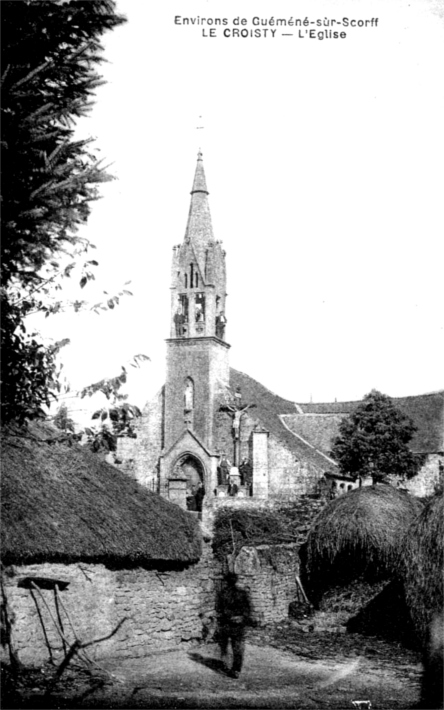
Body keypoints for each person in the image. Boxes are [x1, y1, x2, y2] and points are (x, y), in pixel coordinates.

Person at [216, 572, 254, 678]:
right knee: (237, 647)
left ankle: (226, 666)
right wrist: (241, 617)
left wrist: (228, 616)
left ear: (226, 581)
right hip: (236, 624)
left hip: (227, 623)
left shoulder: (222, 593)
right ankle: (236, 669)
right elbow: (248, 609)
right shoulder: (242, 593)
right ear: (236, 581)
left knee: (224, 646)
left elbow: (218, 609)